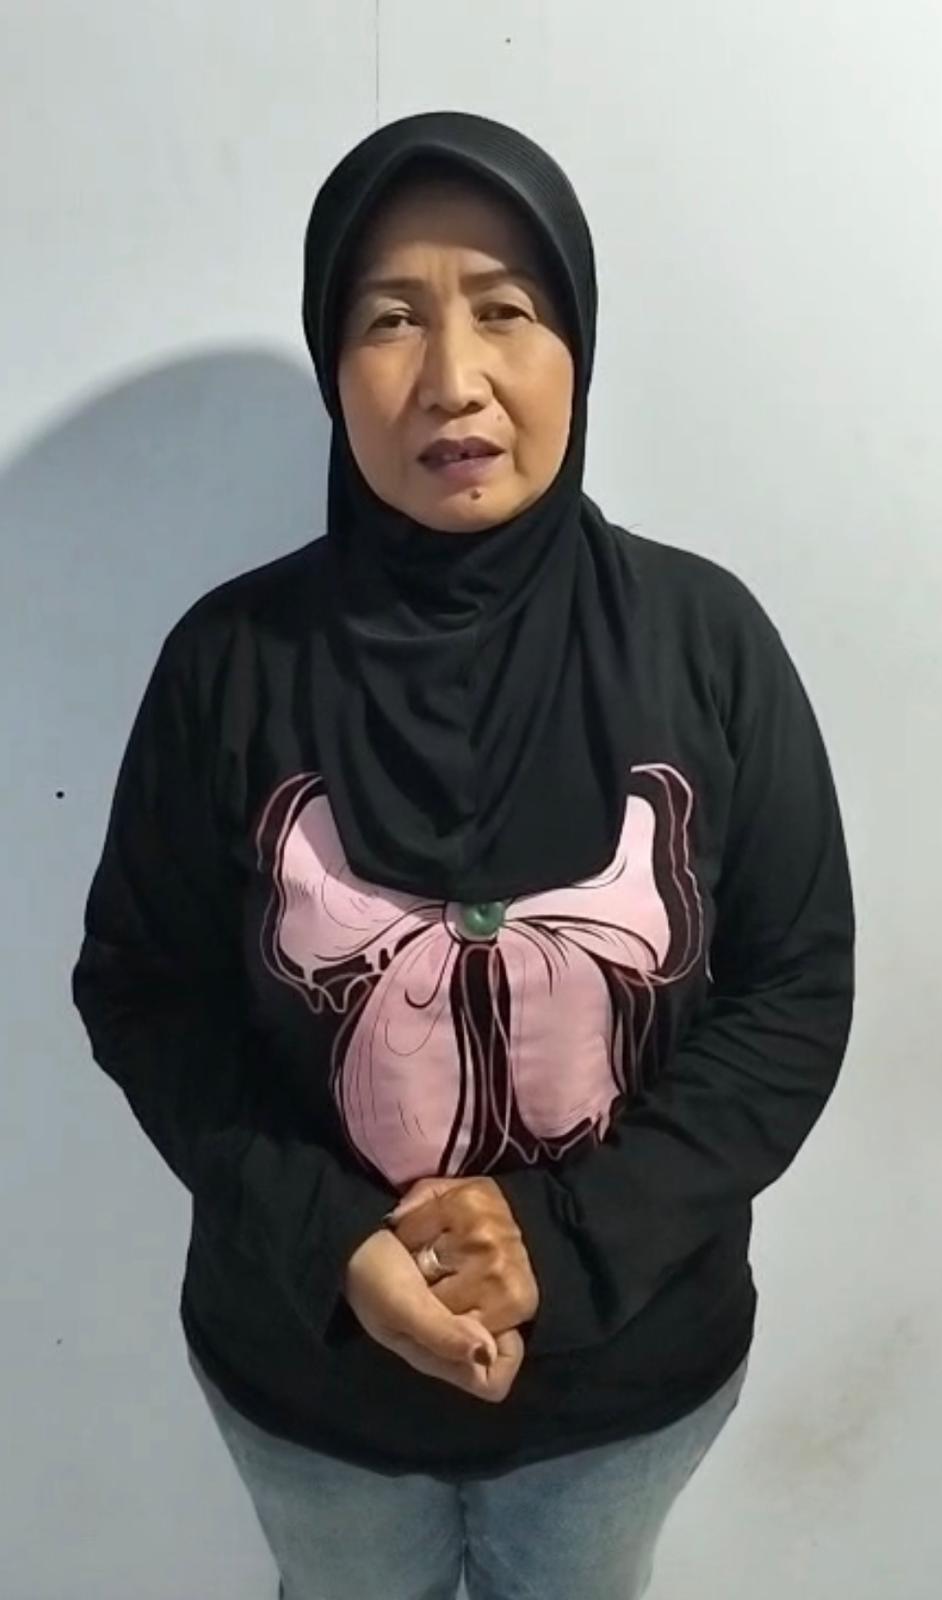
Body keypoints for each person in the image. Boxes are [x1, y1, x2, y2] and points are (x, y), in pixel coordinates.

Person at [72, 110, 855, 1600]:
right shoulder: (229, 662)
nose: (452, 377)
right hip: (309, 1385)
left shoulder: (707, 643)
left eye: (505, 309)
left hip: (626, 1389)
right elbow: (143, 989)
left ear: (577, 345)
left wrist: (566, 1244)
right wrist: (334, 1242)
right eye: (389, 319)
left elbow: (794, 990)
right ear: (333, 363)